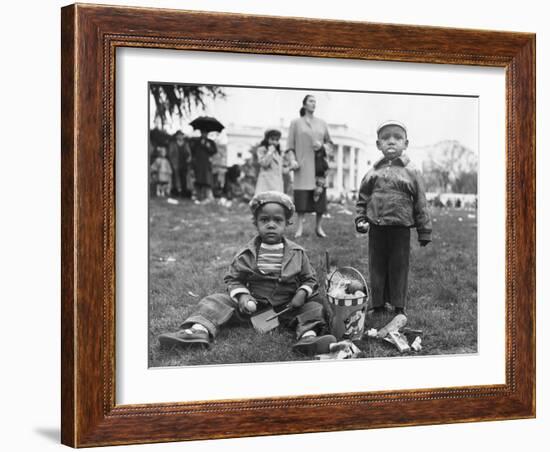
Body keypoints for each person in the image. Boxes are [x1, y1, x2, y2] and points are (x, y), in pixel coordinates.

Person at [158, 191, 337, 355]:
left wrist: (302, 292)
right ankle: (198, 331)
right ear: (256, 223)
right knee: (215, 300)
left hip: (288, 308)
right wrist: (243, 297)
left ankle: (308, 336)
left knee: (315, 306)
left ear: (287, 224)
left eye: (277, 220)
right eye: (265, 220)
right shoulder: (248, 253)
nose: (271, 225)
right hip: (253, 308)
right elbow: (233, 279)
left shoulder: (298, 253)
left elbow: (310, 278)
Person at [355, 121, 432, 315]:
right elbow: (362, 199)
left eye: (397, 138)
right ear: (378, 144)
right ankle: (378, 305)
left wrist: (424, 230)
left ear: (406, 144)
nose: (391, 141)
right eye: (386, 138)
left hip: (400, 228)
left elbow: (421, 201)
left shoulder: (412, 171)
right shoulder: (372, 172)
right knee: (377, 266)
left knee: (399, 267)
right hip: (377, 228)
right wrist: (360, 219)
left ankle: (399, 307)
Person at [287, 94, 333, 238]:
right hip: (302, 165)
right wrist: (292, 160)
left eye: (315, 102)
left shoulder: (322, 123)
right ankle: (299, 228)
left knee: (320, 197)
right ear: (304, 104)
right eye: (311, 101)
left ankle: (319, 227)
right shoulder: (296, 123)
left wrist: (322, 146)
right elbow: (289, 146)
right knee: (301, 198)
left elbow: (330, 144)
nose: (314, 104)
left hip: (319, 165)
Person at [188, 129, 218, 201]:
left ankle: (206, 196)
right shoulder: (196, 141)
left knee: (206, 180)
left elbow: (214, 151)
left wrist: (208, 146)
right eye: (203, 133)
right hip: (198, 163)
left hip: (206, 164)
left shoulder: (210, 142)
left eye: (205, 133)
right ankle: (198, 195)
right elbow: (192, 150)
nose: (204, 134)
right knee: (198, 180)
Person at [255, 129, 285, 194]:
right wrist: (270, 152)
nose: (274, 142)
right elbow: (264, 164)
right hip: (266, 185)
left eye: (276, 140)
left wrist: (290, 168)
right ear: (267, 139)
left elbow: (281, 169)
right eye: (272, 139)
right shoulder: (262, 150)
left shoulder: (278, 153)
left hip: (277, 186)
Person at [167, 130, 192, 198]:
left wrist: (189, 158)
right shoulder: (173, 144)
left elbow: (189, 153)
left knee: (184, 178)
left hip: (184, 163)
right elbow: (170, 154)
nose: (180, 136)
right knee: (175, 178)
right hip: (176, 163)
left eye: (181, 135)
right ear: (176, 136)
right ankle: (175, 192)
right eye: (179, 135)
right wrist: (172, 162)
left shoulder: (186, 144)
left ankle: (184, 192)